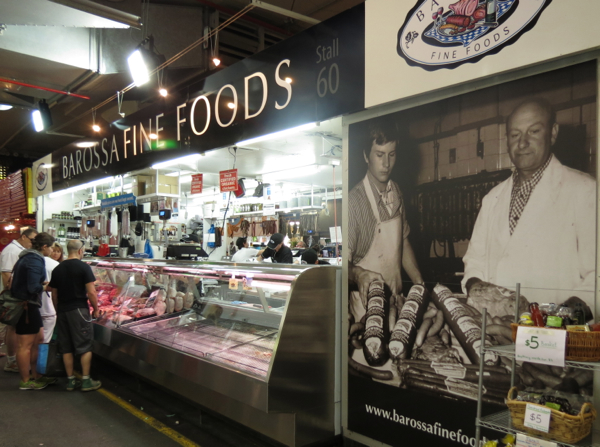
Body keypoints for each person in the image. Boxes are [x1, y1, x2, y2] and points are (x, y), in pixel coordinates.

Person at [462, 98, 596, 306]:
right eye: (515, 135)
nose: (522, 143)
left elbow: (596, 277)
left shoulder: (585, 190)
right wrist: (476, 286)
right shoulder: (493, 198)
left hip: (555, 332)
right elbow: (474, 260)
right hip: (494, 328)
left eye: (533, 131)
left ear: (552, 133)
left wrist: (555, 320)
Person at [348, 119, 423, 321]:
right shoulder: (353, 203)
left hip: (396, 306)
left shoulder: (396, 191)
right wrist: (358, 274)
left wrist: (418, 282)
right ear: (366, 155)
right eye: (379, 155)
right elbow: (341, 266)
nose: (386, 164)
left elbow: (403, 241)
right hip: (366, 314)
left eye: (392, 155)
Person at [49, 239, 101, 392]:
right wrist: (96, 309)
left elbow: (54, 293)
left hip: (63, 310)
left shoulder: (58, 269)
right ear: (80, 251)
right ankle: (86, 380)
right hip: (78, 310)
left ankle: (70, 381)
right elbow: (91, 292)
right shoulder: (83, 267)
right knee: (84, 345)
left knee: (66, 347)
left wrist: (57, 309)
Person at [10, 232, 56, 390]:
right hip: (26, 306)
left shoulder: (29, 257)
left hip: (30, 305)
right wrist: (47, 286)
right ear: (44, 247)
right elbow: (32, 287)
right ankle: (25, 380)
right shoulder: (34, 260)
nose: (51, 251)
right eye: (50, 248)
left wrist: (41, 282)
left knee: (39, 339)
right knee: (25, 345)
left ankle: (37, 375)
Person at [0, 227, 38, 371]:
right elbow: (6, 274)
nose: (33, 243)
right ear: (23, 237)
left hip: (17, 295)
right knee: (12, 328)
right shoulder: (12, 251)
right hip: (14, 297)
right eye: (32, 240)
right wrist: (12, 295)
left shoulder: (19, 250)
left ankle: (14, 359)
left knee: (14, 328)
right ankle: (12, 360)